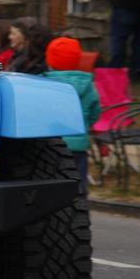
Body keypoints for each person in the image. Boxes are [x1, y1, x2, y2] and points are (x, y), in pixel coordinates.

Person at [43, 37, 100, 194]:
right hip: (78, 146)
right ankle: (80, 214)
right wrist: (85, 125)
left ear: (50, 60)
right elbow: (95, 112)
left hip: (52, 144)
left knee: (52, 187)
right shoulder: (88, 85)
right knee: (78, 187)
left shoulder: (44, 84)